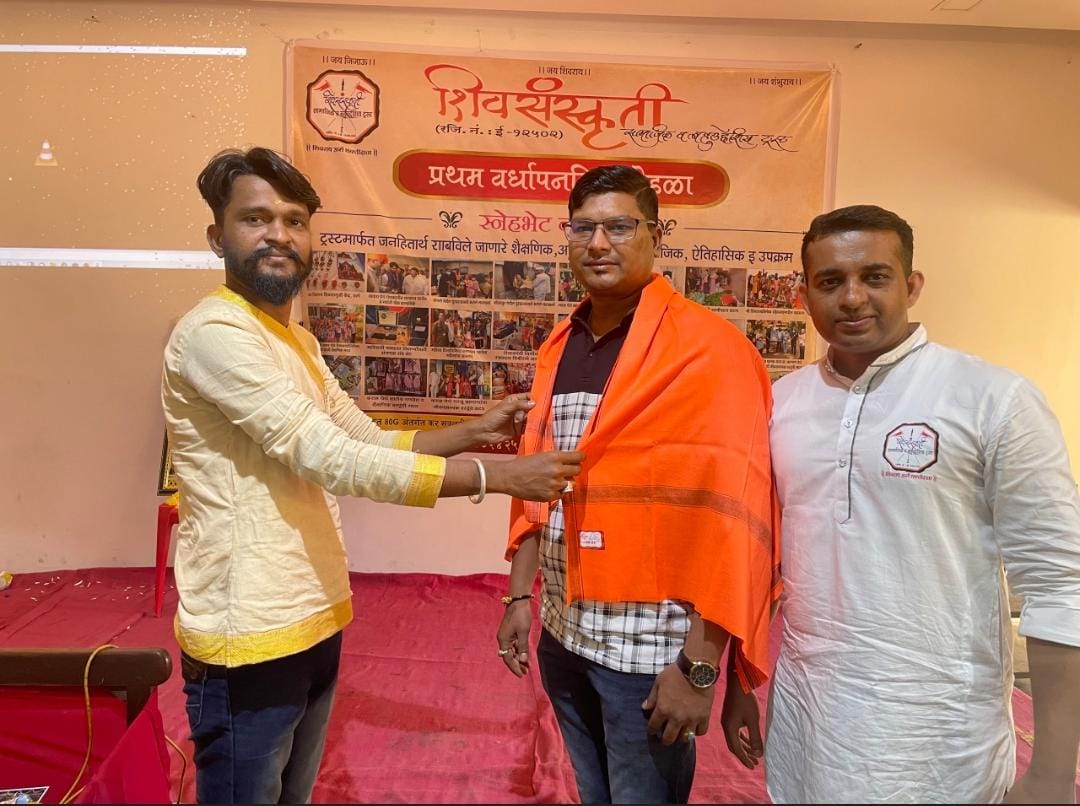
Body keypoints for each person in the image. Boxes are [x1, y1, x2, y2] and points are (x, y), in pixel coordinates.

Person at [161, 146, 584, 805]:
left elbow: (365, 439)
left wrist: (475, 431)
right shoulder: (216, 333)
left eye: (294, 220)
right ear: (218, 237)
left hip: (312, 616)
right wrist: (500, 476)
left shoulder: (296, 341)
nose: (279, 234)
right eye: (256, 218)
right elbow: (333, 460)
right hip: (247, 632)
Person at [726, 204, 1080, 803]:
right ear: (803, 296)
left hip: (942, 748)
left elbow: (1059, 585)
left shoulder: (993, 399)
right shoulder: (781, 403)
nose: (852, 298)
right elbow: (758, 557)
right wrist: (740, 680)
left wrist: (1051, 774)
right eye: (830, 281)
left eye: (875, 276)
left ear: (912, 286)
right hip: (808, 730)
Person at [496, 165, 779, 804]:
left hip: (651, 652)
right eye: (583, 228)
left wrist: (700, 668)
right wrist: (519, 597)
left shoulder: (709, 350)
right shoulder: (559, 344)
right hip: (564, 631)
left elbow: (731, 517)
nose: (598, 244)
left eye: (619, 227)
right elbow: (540, 480)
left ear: (657, 234)